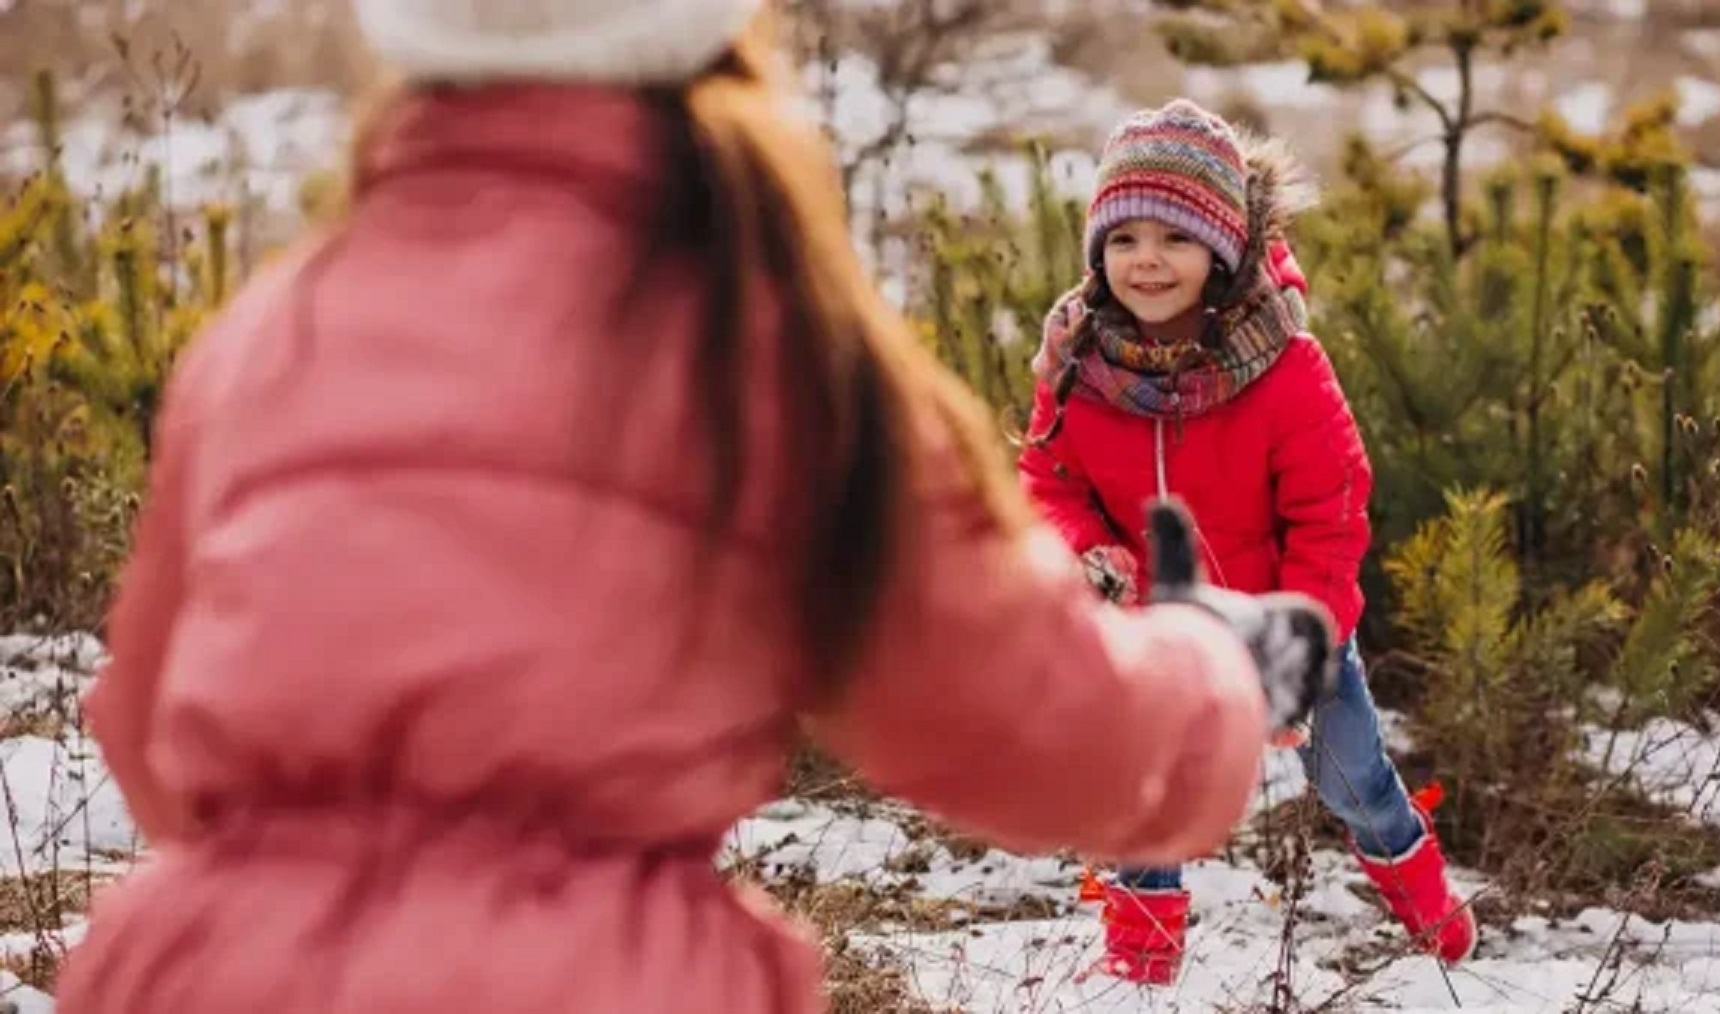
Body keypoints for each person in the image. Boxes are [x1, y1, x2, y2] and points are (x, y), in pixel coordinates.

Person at [54, 6, 1336, 1012]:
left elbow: (149, 737)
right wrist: (1212, 673)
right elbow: (1025, 727)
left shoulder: (266, 335)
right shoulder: (772, 347)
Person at [1017, 98, 1478, 986]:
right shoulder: (1078, 361)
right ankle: (1140, 972)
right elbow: (1047, 480)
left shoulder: (1285, 369)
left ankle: (1438, 924)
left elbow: (1331, 514)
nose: (1146, 261)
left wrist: (1304, 649)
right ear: (1097, 253)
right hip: (1154, 627)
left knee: (1353, 783)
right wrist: (1087, 551)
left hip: (1287, 624)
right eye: (1124, 239)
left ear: (1222, 251)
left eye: (1175, 238)